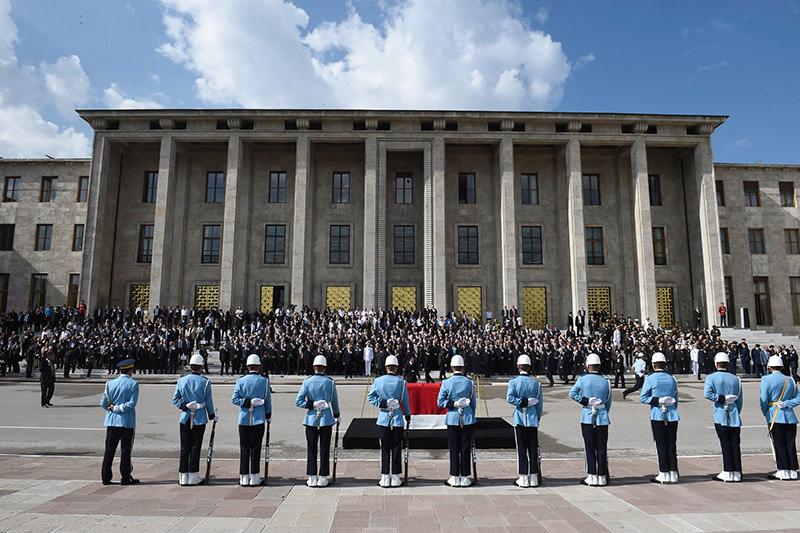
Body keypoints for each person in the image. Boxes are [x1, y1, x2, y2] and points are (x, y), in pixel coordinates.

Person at [172, 353, 217, 486]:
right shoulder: (205, 382)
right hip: (199, 418)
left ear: (190, 366)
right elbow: (208, 402)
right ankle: (193, 475)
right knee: (195, 447)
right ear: (201, 367)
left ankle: (183, 475)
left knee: (185, 447)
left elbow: (175, 400)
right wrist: (212, 415)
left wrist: (184, 405)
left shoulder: (181, 380)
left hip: (185, 417)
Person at [295, 355, 340, 487]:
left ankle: (312, 477)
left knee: (311, 448)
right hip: (326, 419)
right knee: (325, 449)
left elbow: (299, 401)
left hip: (311, 419)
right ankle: (323, 477)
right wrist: (337, 415)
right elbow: (334, 402)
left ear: (314, 367)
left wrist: (312, 405)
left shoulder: (307, 382)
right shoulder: (330, 382)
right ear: (325, 368)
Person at [367, 355, 411, 487]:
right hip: (397, 419)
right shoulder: (402, 383)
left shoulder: (378, 381)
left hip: (384, 418)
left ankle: (385, 477)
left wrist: (383, 403)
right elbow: (406, 402)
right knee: (397, 447)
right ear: (396, 368)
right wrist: (407, 415)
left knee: (385, 447)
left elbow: (371, 397)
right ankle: (396, 477)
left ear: (386, 367)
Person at [569, 353, 612, 486]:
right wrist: (602, 411)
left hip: (587, 417)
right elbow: (608, 402)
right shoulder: (606, 381)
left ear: (588, 366)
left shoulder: (582, 379)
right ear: (599, 366)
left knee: (589, 447)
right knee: (601, 447)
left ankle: (592, 475)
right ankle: (602, 475)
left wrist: (586, 401)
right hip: (602, 417)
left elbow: (572, 394)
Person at [639, 352, 679, 483]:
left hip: (657, 415)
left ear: (653, 365)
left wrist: (657, 401)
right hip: (672, 415)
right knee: (671, 444)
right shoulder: (672, 378)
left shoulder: (650, 378)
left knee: (661, 444)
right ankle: (673, 472)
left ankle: (663, 472)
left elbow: (643, 398)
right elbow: (676, 399)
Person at [437, 354, 477, 487]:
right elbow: (473, 403)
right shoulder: (469, 382)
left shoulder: (446, 383)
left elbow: (440, 402)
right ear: (463, 367)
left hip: (453, 418)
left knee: (454, 447)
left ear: (451, 367)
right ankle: (465, 476)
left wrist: (453, 404)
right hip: (467, 418)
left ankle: (454, 476)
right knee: (466, 447)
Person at [232, 354, 271, 486]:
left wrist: (247, 402)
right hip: (259, 419)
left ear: (247, 367)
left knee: (244, 448)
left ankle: (243, 476)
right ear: (259, 367)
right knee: (256, 447)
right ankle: (254, 476)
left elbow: (235, 399)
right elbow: (267, 401)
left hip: (243, 419)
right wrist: (268, 415)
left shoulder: (241, 381)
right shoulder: (264, 381)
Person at [704, 352, 743, 482]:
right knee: (735, 444)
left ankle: (727, 471)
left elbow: (708, 394)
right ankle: (737, 471)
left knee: (725, 444)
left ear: (716, 364)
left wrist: (721, 399)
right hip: (734, 415)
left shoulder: (711, 377)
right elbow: (739, 401)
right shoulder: (736, 379)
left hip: (721, 414)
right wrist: (735, 411)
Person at [760, 355, 800, 480]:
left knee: (779, 444)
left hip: (774, 415)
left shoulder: (766, 379)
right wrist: (787, 404)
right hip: (789, 416)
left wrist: (766, 412)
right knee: (790, 443)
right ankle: (793, 470)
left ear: (770, 367)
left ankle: (782, 470)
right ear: (782, 366)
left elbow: (764, 399)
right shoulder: (790, 380)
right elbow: (798, 398)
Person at [100, 358, 140, 485]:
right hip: (126, 422)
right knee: (125, 450)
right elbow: (132, 404)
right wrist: (118, 408)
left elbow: (103, 403)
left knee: (109, 450)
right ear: (130, 370)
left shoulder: (110, 384)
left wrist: (113, 409)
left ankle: (106, 477)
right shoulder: (133, 384)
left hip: (111, 421)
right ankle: (125, 477)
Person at [506, 354, 543, 487]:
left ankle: (523, 477)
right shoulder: (536, 384)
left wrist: (521, 402)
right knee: (533, 447)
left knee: (521, 449)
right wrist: (536, 415)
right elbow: (539, 405)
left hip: (520, 419)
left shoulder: (514, 382)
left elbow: (510, 398)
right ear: (529, 367)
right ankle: (533, 476)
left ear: (518, 367)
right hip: (532, 419)